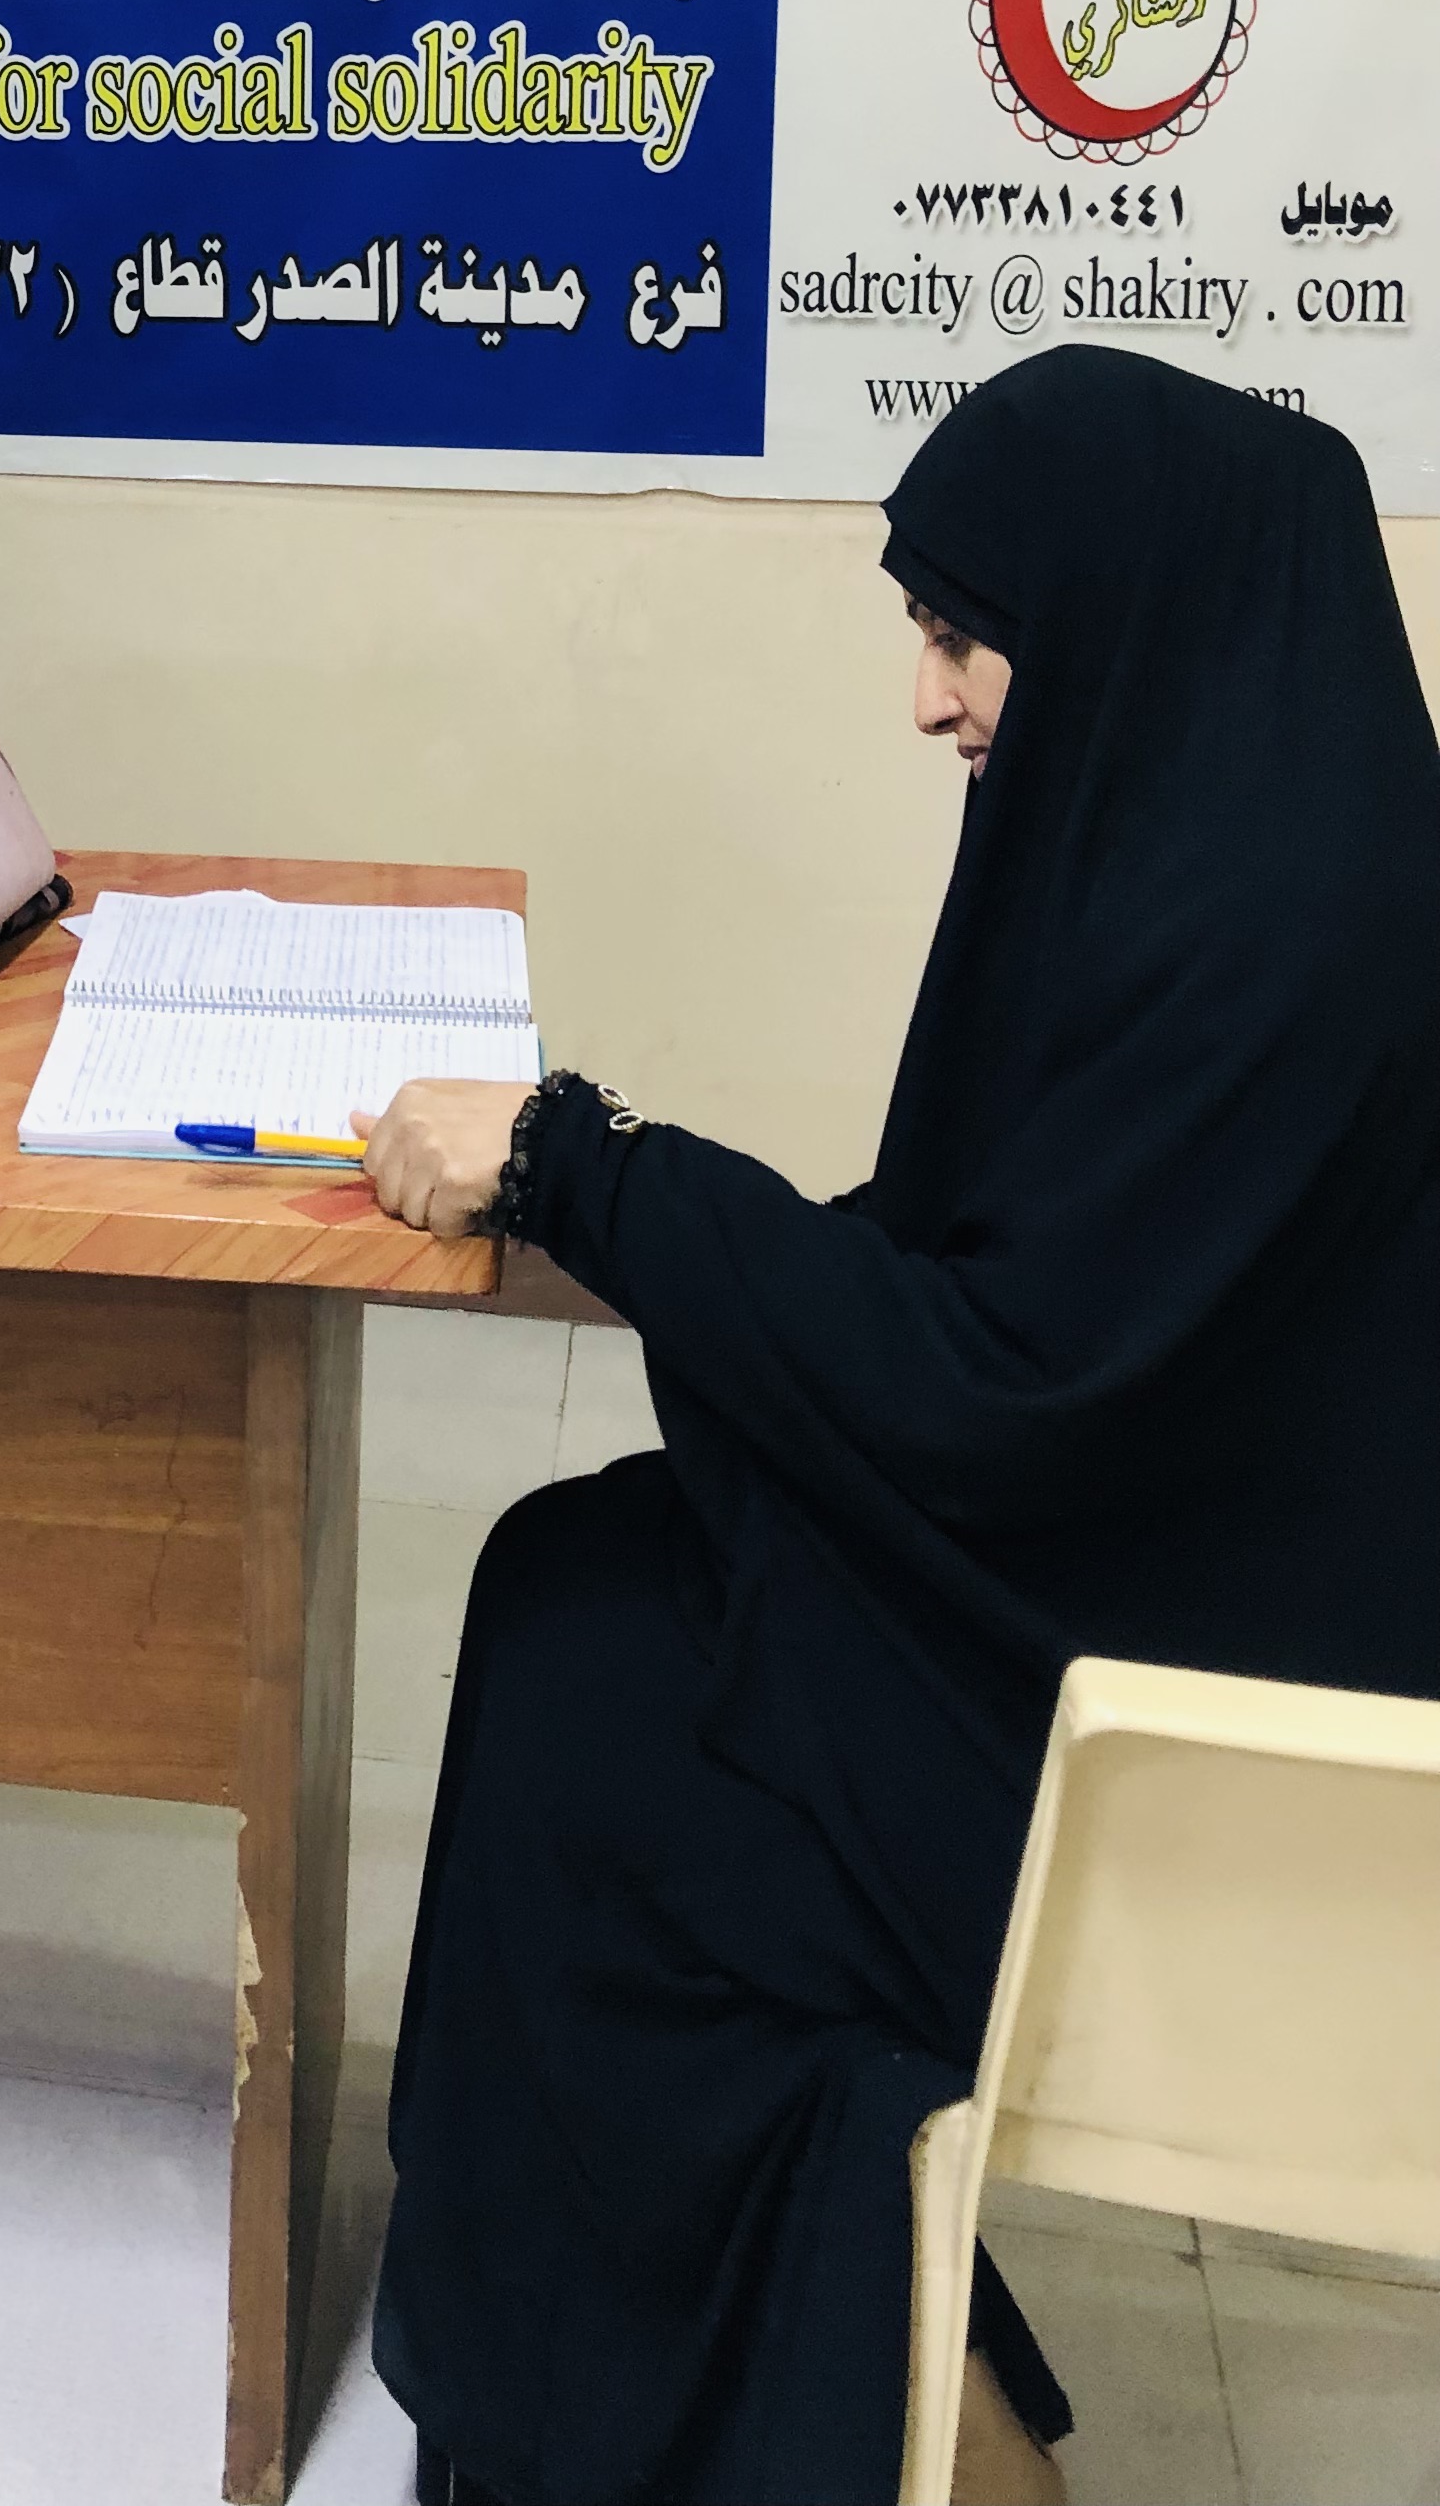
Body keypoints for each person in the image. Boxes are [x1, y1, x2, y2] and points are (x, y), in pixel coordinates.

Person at [353, 344, 1440, 2506]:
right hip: (1120, 1584)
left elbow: (1004, 1384)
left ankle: (830, 2439)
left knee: (612, 1755)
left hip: (1211, 1755)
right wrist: (618, 1217)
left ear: (1115, 616)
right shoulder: (1234, 851)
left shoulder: (1286, 947)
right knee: (571, 1577)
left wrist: (588, 1167)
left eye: (961, 635)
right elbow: (1009, 1269)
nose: (925, 699)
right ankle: (791, 2408)